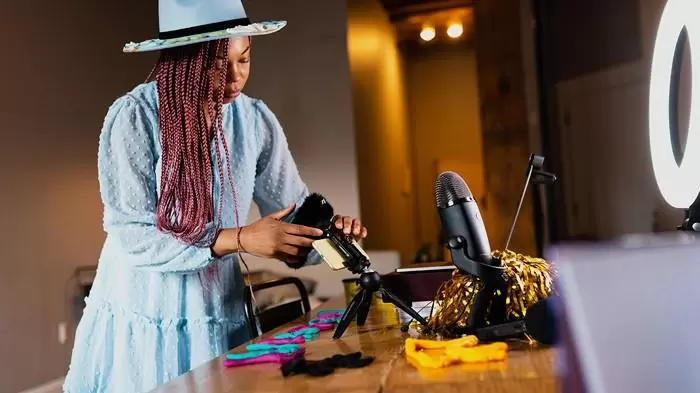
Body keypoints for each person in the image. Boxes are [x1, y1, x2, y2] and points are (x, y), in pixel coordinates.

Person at [63, 3, 366, 392]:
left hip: (219, 309)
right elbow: (134, 236)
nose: (237, 76)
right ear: (185, 61)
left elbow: (289, 216)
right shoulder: (134, 118)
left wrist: (327, 237)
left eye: (245, 58)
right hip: (147, 310)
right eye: (221, 64)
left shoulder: (254, 121)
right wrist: (241, 239)